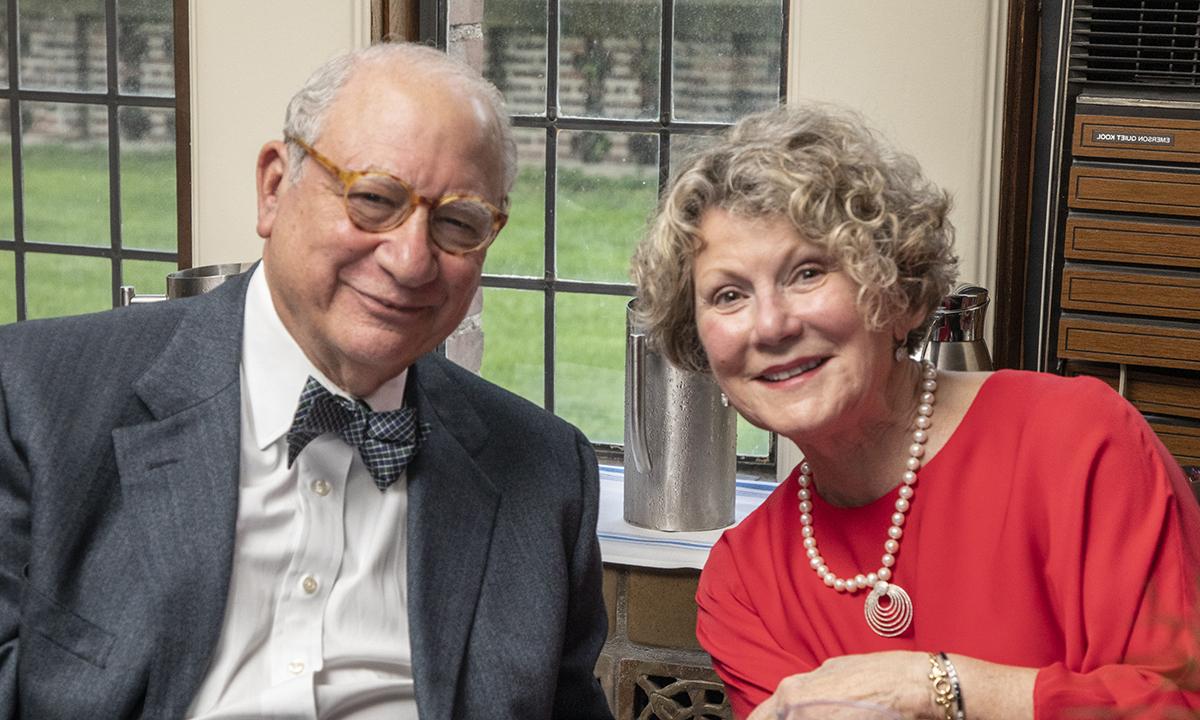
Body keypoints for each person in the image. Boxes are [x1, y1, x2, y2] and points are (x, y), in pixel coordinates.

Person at [0, 43, 613, 719]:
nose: (410, 261)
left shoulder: (548, 472)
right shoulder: (35, 399)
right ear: (272, 188)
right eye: (374, 199)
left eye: (457, 223)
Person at [630, 103, 1200, 719]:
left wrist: (934, 688)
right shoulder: (744, 586)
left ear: (895, 293)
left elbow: (1179, 701)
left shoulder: (1078, 442)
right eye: (729, 295)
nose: (770, 325)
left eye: (808, 272)